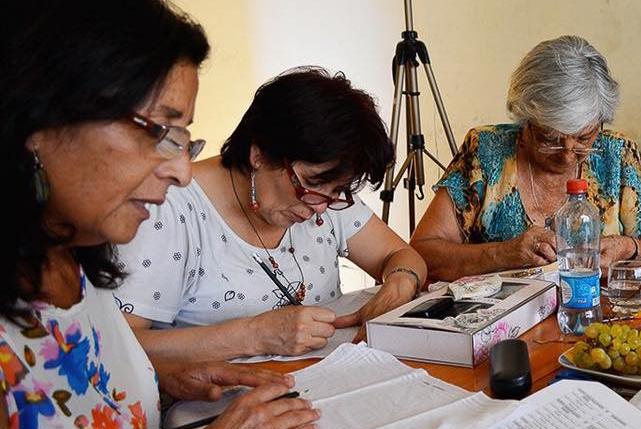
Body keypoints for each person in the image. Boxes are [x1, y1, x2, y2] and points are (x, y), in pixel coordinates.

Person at [0, 1, 321, 429]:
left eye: (183, 138)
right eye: (159, 131)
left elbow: (66, 386)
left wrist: (158, 377)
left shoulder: (71, 259)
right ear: (39, 120)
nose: (179, 170)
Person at [114, 67, 427, 363]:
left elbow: (401, 254)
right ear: (259, 153)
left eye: (338, 191)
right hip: (221, 407)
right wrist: (254, 335)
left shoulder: (326, 194)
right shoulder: (168, 207)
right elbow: (119, 349)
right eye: (311, 185)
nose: (320, 208)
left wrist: (400, 282)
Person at [410, 35, 641, 282]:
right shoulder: (485, 153)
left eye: (584, 138)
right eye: (550, 139)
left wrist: (629, 248)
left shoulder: (618, 155)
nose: (567, 154)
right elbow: (422, 252)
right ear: (525, 121)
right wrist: (502, 254)